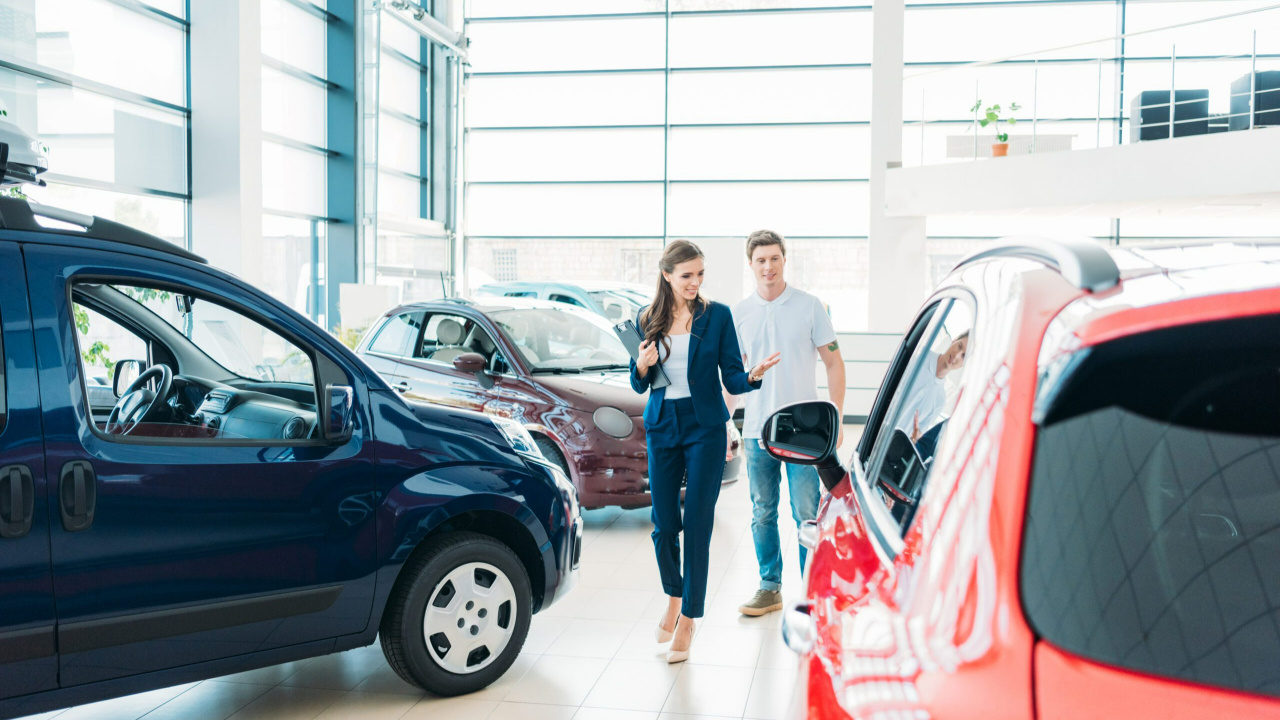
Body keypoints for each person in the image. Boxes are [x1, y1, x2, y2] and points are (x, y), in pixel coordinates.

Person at [631, 239, 781, 663]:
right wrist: (640, 366)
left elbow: (732, 377)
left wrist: (752, 376)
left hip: (705, 428)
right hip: (662, 426)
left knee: (696, 525)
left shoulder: (717, 316)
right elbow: (640, 383)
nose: (695, 282)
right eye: (686, 276)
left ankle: (690, 619)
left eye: (700, 274)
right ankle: (674, 596)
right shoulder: (648, 318)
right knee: (663, 525)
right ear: (667, 276)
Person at [724, 230, 846, 617]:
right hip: (758, 429)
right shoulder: (739, 314)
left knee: (806, 513)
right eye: (761, 260)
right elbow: (733, 376)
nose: (768, 266)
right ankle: (769, 587)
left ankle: (812, 591)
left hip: (803, 433)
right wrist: (726, 422)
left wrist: (836, 416)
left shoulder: (810, 307)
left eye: (774, 258)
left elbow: (834, 362)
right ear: (751, 264)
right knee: (762, 510)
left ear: (784, 260)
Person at [893, 331, 969, 443]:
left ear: (964, 364)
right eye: (959, 346)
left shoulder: (940, 400)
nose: (956, 355)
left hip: (893, 450)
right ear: (954, 339)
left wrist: (916, 438)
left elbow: (915, 438)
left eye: (963, 356)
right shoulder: (919, 356)